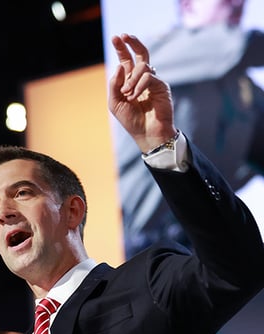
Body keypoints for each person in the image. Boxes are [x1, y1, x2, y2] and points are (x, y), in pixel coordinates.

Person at [0, 33, 264, 334]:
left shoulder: (149, 284)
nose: (3, 213)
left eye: (21, 193)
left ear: (73, 210)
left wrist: (161, 144)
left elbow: (238, 265)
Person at [113, 0, 264, 257]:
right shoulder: (162, 51)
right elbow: (251, 45)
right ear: (188, 5)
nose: (238, 2)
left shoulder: (245, 92)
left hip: (206, 243)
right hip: (150, 247)